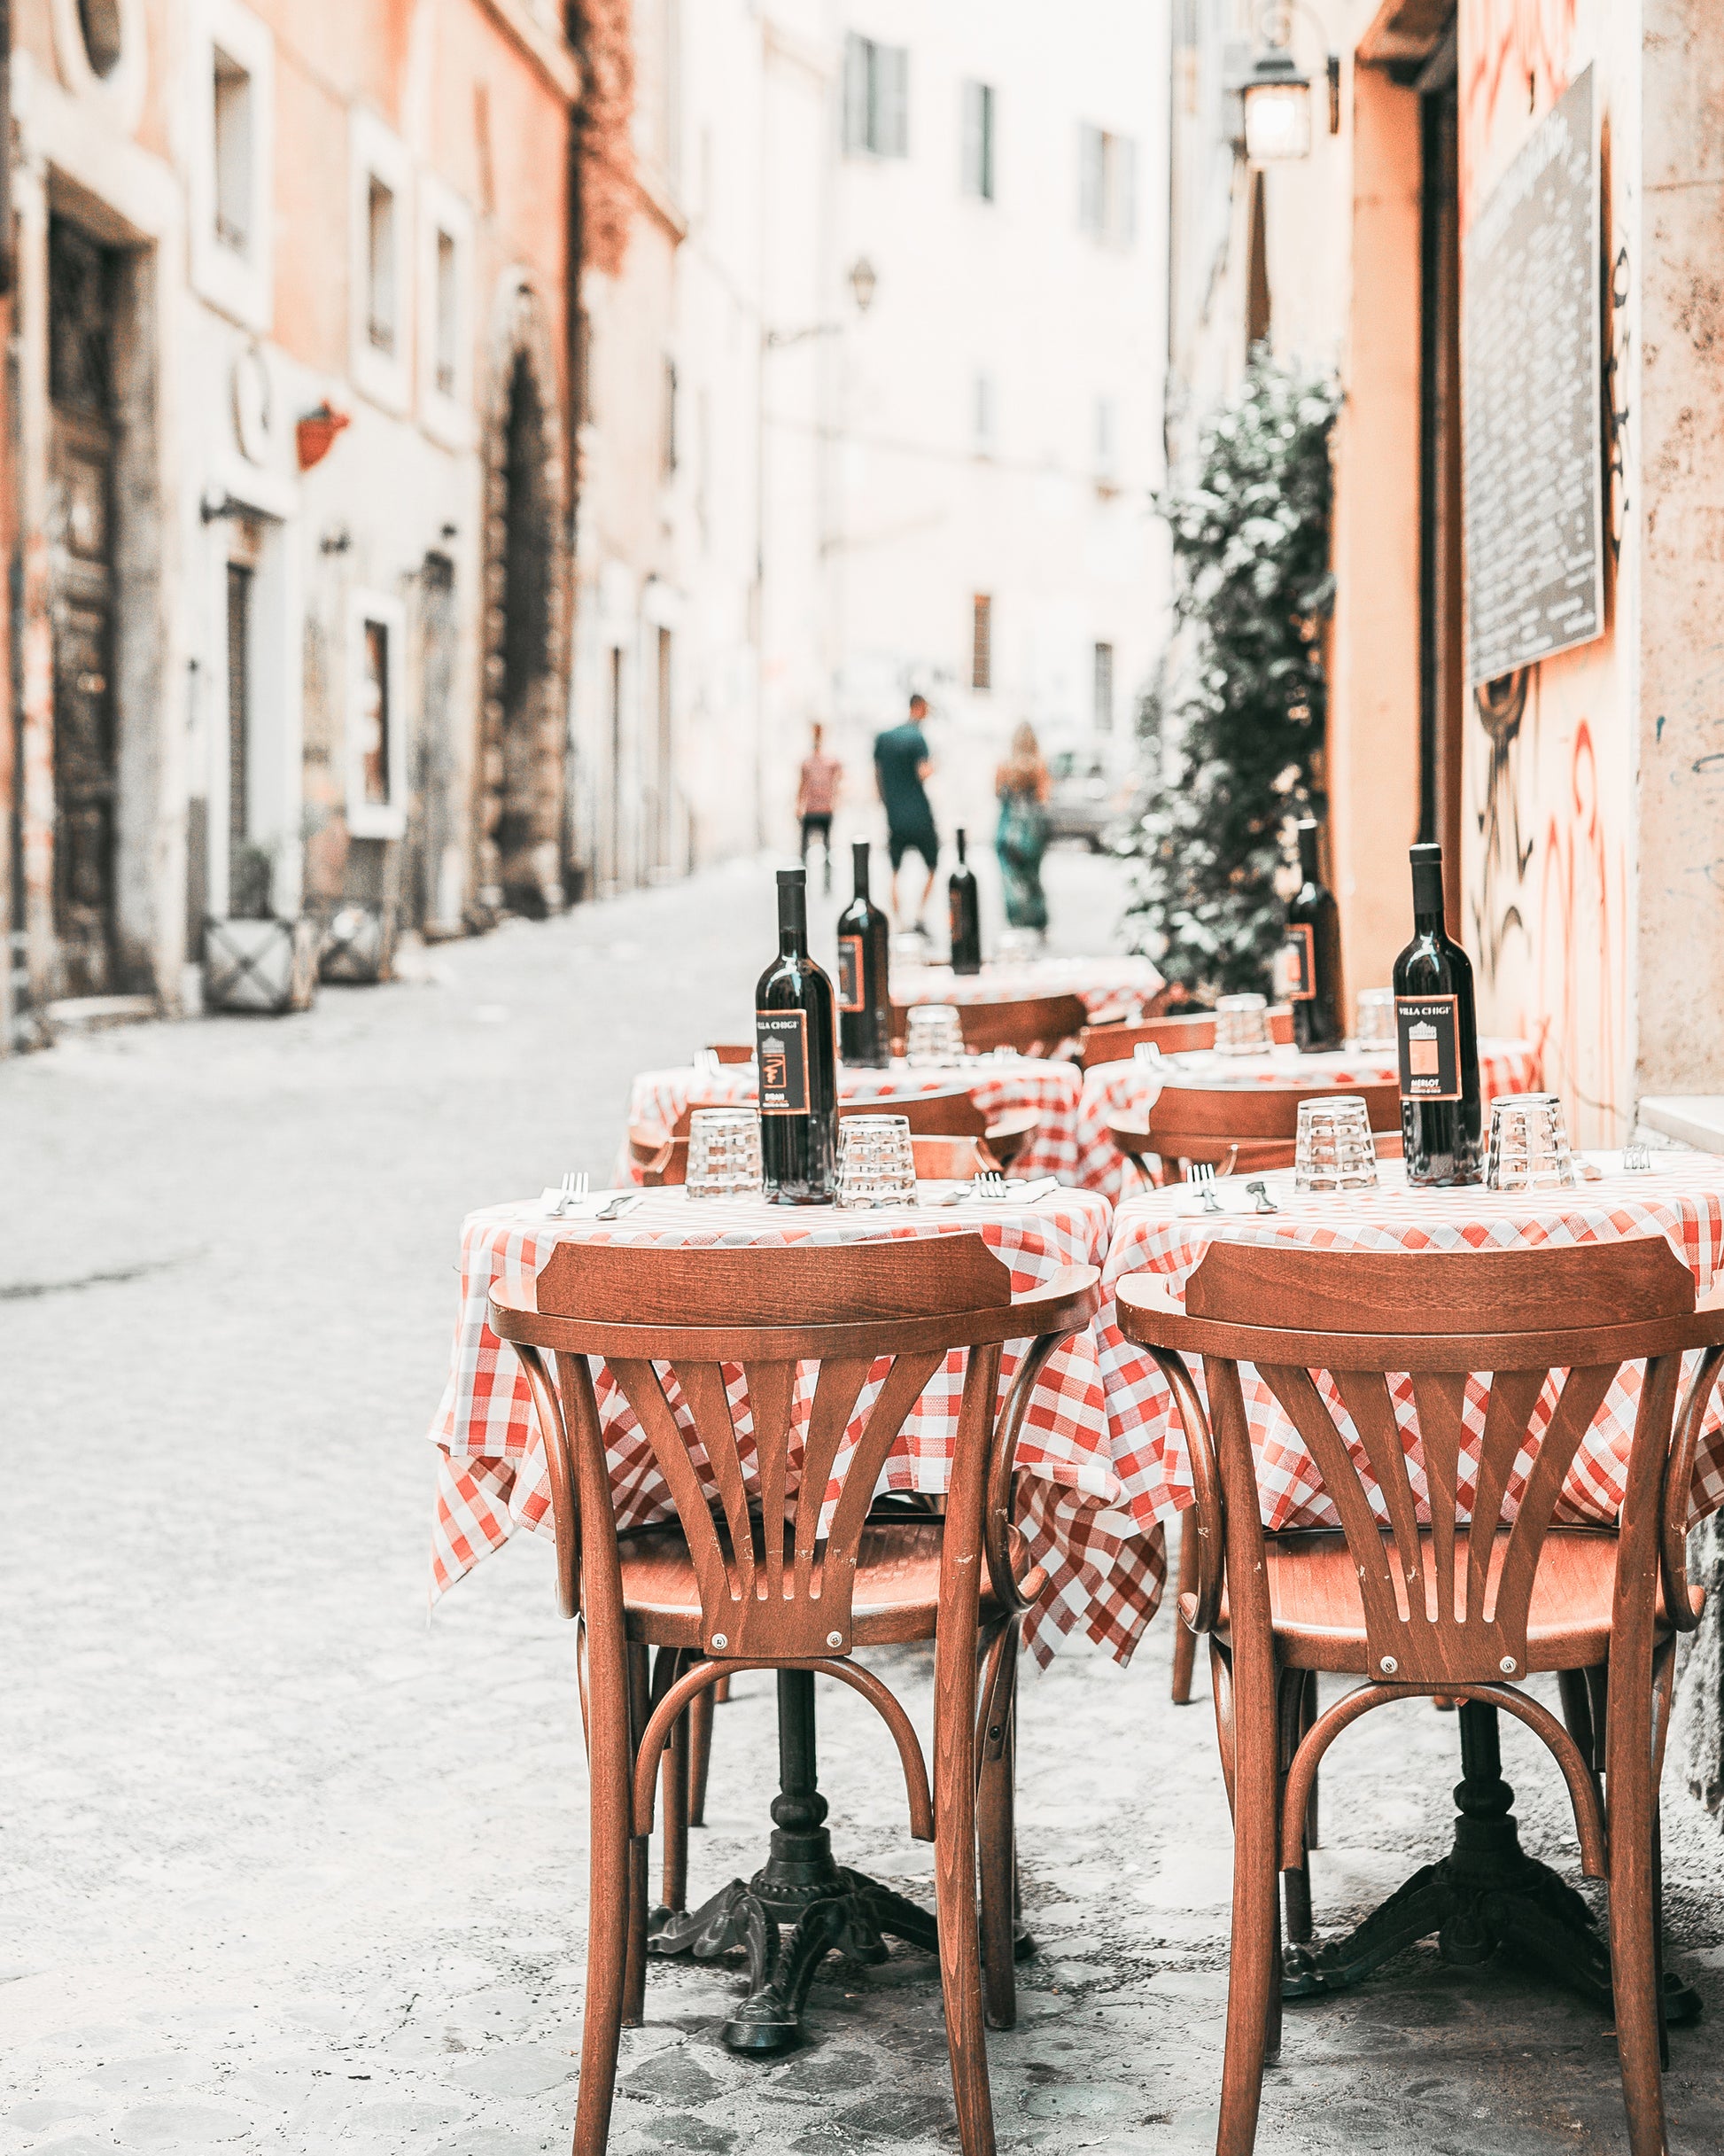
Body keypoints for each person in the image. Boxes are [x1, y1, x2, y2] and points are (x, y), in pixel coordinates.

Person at [873, 694, 940, 931]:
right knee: (932, 865)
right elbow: (923, 772)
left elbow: (877, 776)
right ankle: (919, 915)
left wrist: (886, 802)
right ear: (919, 707)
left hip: (894, 814)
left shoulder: (884, 738)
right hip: (919, 812)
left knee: (894, 870)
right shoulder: (917, 738)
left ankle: (900, 922)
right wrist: (936, 764)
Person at [995, 721, 1052, 936]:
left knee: (1009, 876)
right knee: (1033, 876)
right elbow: (1044, 798)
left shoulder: (1003, 766)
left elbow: (997, 793)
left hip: (1008, 828)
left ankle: (1015, 921)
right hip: (1031, 831)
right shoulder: (1040, 766)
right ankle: (1039, 923)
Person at [795, 723, 843, 892]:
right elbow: (803, 785)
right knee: (810, 850)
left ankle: (822, 885)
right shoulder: (817, 762)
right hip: (815, 809)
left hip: (821, 810)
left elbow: (838, 782)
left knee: (818, 850)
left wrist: (835, 801)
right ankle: (804, 884)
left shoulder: (824, 762)